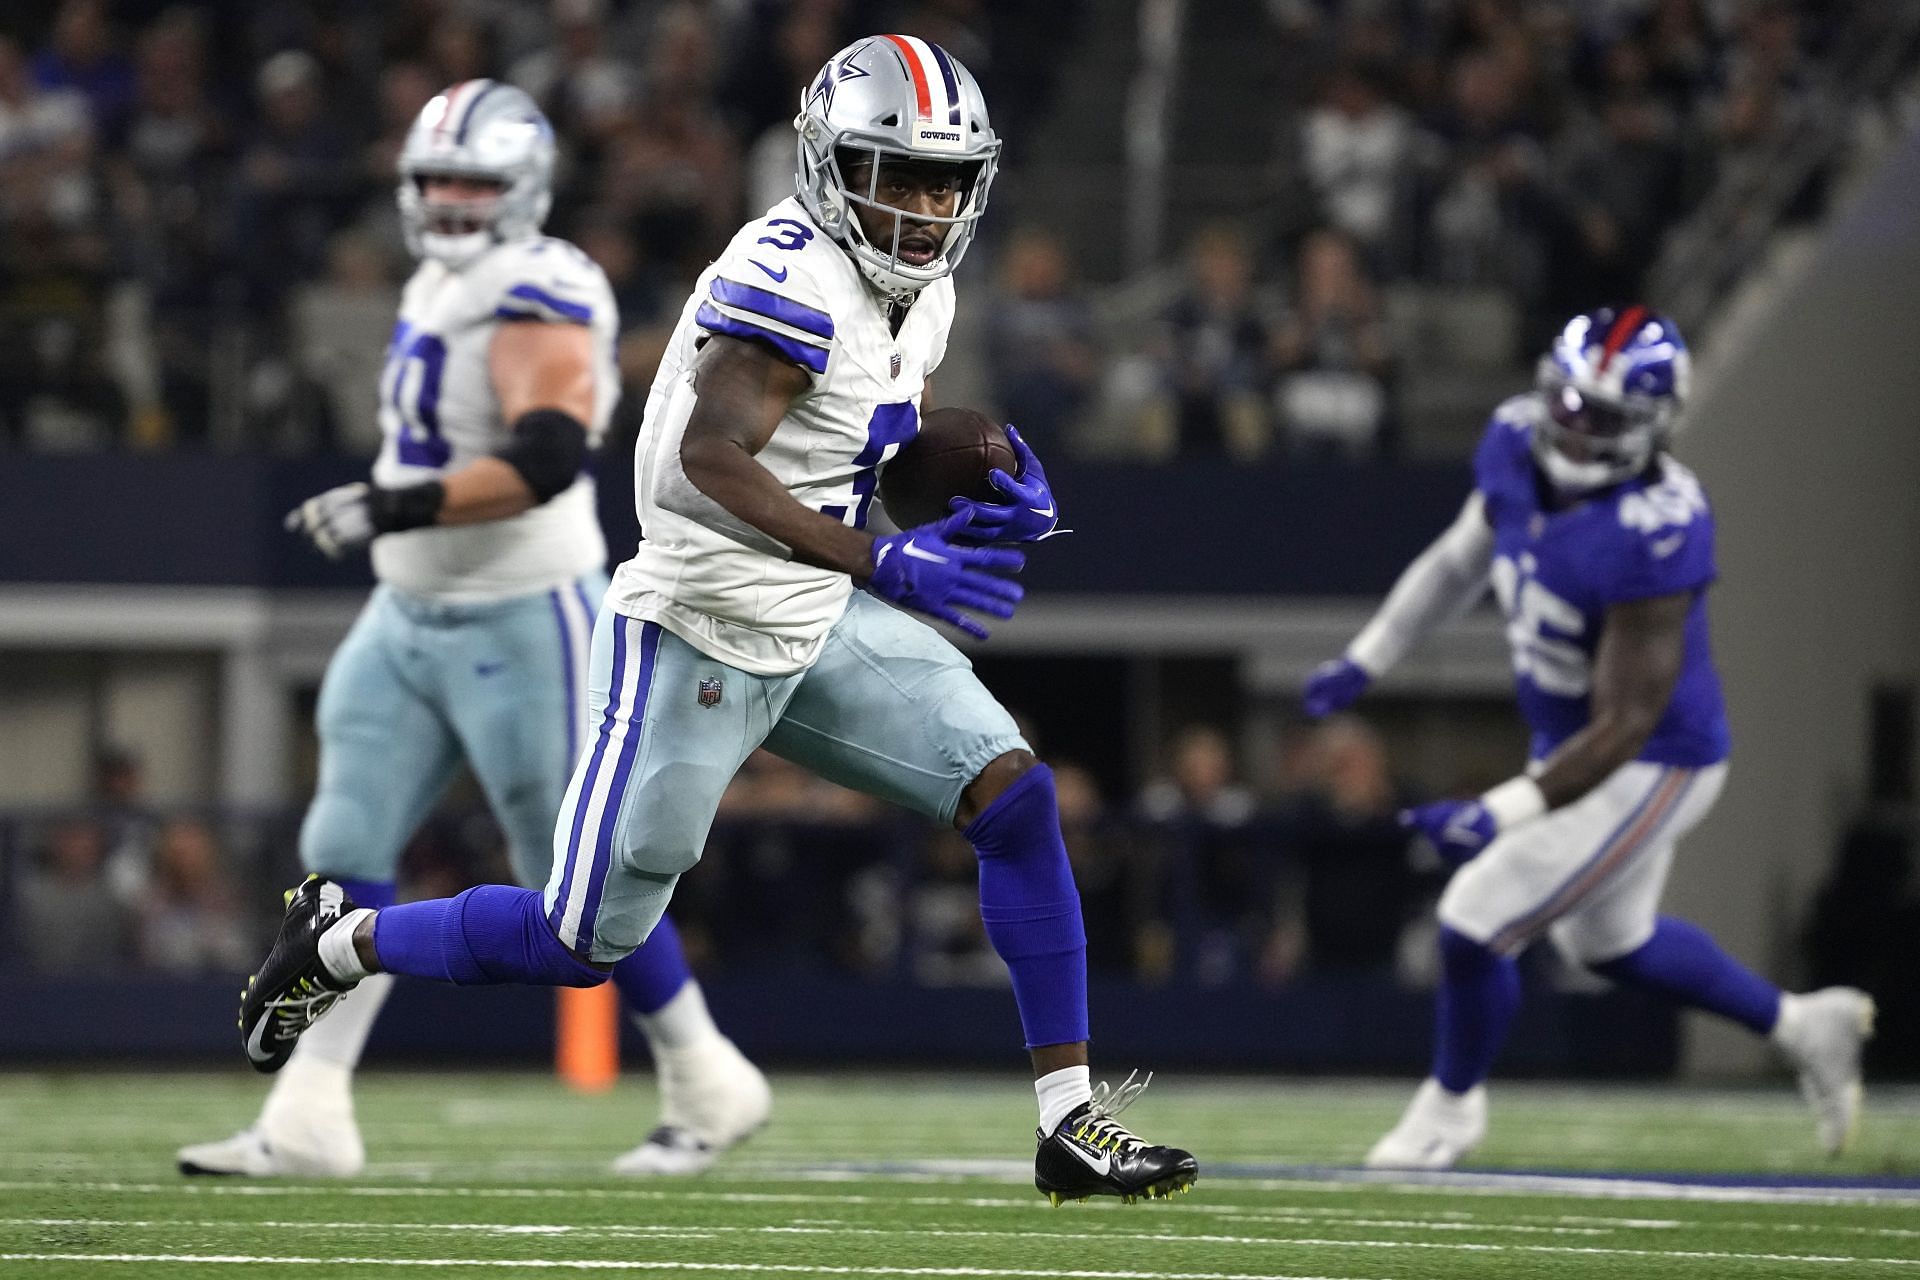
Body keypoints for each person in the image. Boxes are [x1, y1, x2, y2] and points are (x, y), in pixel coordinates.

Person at [235, 37, 1198, 1207]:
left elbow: (875, 444)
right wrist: (880, 560)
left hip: (813, 611)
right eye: (894, 173)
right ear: (828, 164)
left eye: (946, 179)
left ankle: (1068, 1121)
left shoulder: (922, 288)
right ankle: (337, 942)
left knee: (1016, 793)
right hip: (695, 620)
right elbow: (708, 456)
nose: (924, 206)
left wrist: (997, 486)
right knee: (578, 941)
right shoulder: (791, 274)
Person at [182, 80, 767, 1181]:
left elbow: (546, 457)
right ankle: (310, 1114)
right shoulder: (447, 273)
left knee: (579, 884)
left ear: (525, 190)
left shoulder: (538, 283)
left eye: (474, 183)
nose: (450, 200)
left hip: (522, 613)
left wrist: (394, 502)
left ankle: (706, 1071)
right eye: (435, 180)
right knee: (342, 843)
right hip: (408, 609)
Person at [1302, 306, 1875, 1169]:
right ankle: (1804, 1025)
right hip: (1574, 744)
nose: (1570, 425)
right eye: (1565, 401)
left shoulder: (1658, 526)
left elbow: (1627, 722)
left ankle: (1449, 1114)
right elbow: (1462, 558)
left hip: (1653, 758)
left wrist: (1498, 812)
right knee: (1607, 943)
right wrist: (1369, 656)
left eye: (1597, 415)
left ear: (1647, 426)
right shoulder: (1512, 442)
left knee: (1473, 918)